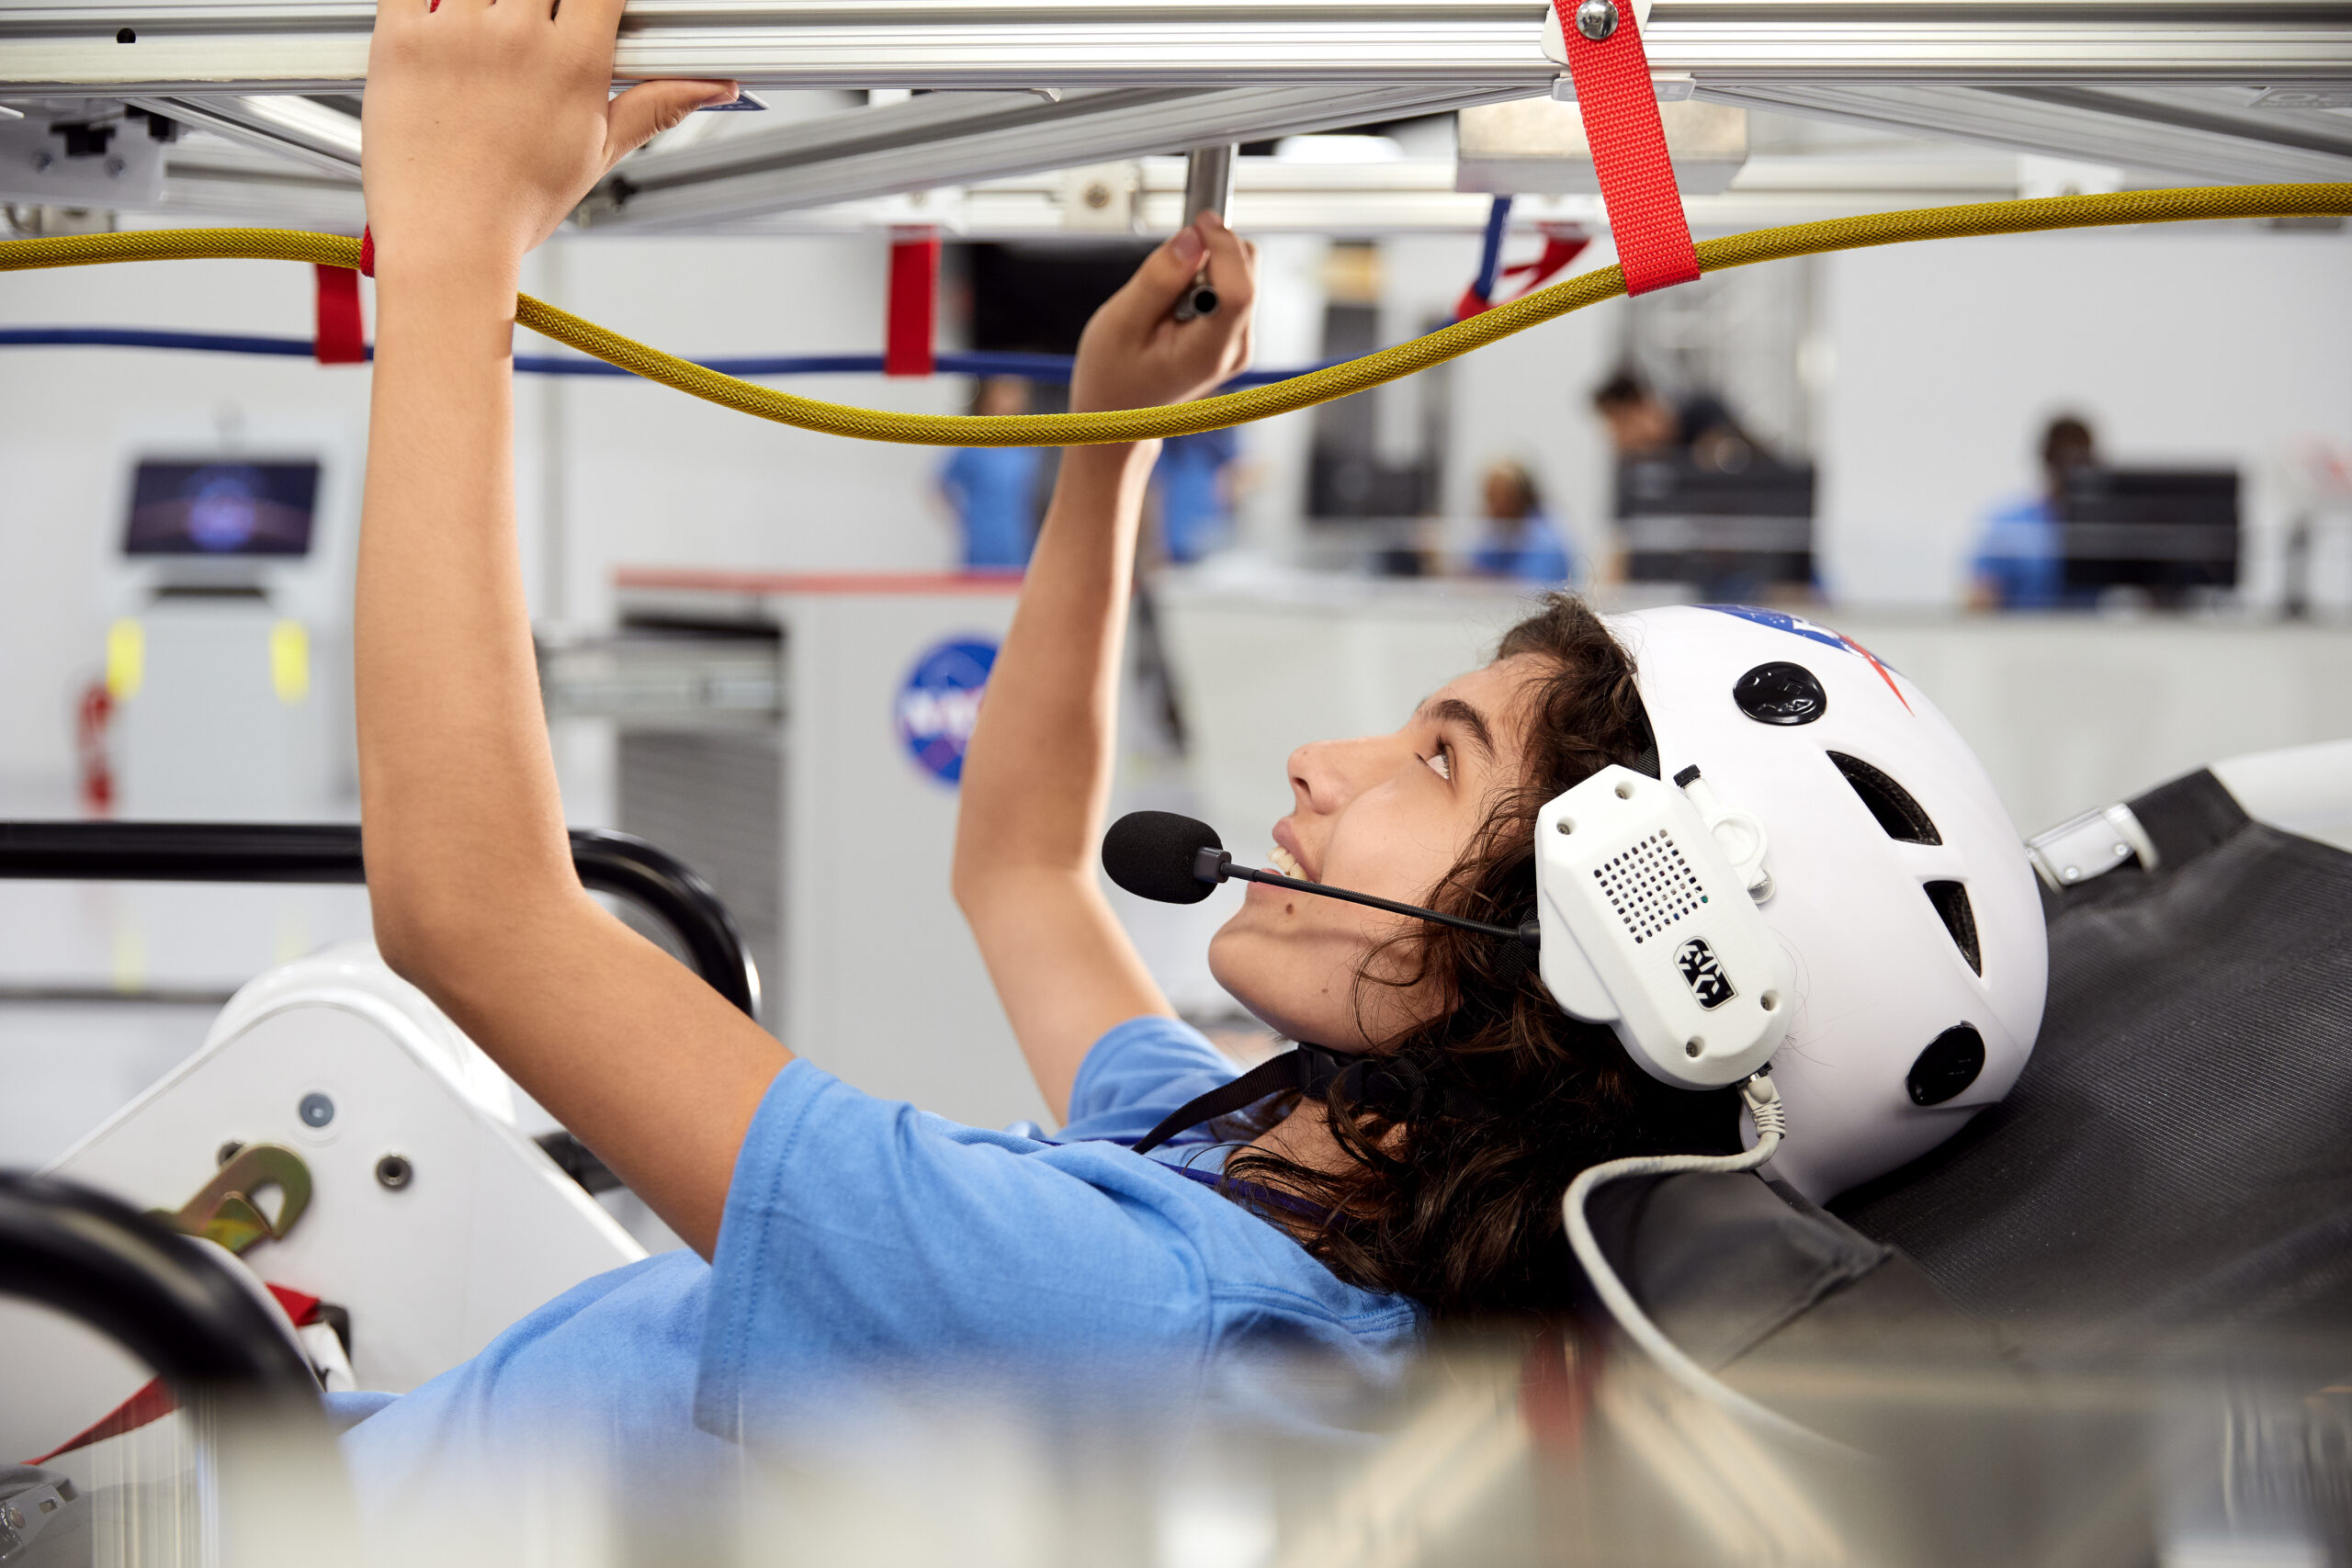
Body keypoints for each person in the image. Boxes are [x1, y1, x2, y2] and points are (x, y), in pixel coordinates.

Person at [335, 0, 2042, 1507]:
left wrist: (459, 240)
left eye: (1438, 763)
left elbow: (473, 916)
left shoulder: (1143, 1319)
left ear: (1602, 956)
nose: (1322, 763)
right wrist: (1114, 448)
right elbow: (1016, 867)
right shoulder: (1297, 1175)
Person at [1969, 415, 2098, 611]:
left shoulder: (2104, 530)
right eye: (2061, 457)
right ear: (2046, 458)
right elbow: (1980, 601)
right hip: (2021, 638)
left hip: (2093, 638)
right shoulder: (2010, 527)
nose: (2070, 467)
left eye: (2080, 458)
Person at [938, 377, 1046, 570]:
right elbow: (941, 484)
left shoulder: (1027, 451)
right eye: (1006, 392)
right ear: (989, 397)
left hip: (1017, 546)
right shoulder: (972, 447)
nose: (1013, 400)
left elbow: (1032, 498)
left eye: (1017, 394)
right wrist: (962, 517)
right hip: (981, 546)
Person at [1589, 369, 1754, 474]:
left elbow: (1727, 453)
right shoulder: (1640, 467)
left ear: (1643, 407)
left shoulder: (1704, 412)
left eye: (1622, 422)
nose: (1618, 436)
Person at [1466, 460, 1575, 583]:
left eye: (1502, 497)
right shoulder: (1497, 533)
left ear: (1521, 497)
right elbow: (1472, 571)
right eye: (1490, 497)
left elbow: (1532, 588)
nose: (1494, 507)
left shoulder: (1545, 540)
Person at [1152, 426, 1240, 564]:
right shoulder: (1166, 438)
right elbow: (1155, 488)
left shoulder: (1219, 438)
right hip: (1171, 537)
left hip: (1210, 532)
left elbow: (1235, 473)